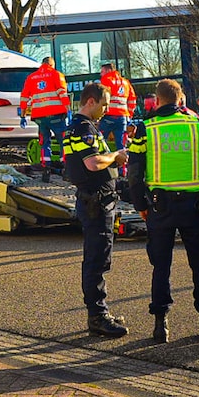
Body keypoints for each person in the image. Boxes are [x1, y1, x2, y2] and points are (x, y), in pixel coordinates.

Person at [127, 79, 199, 343]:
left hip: (160, 207)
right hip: (194, 206)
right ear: (181, 100)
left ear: (157, 101)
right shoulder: (197, 125)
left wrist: (141, 205)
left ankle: (161, 325)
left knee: (161, 267)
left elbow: (134, 174)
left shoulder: (146, 129)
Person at [64, 83, 130, 338]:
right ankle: (98, 316)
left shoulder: (83, 126)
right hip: (96, 202)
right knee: (96, 260)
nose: (106, 110)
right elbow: (92, 163)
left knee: (98, 258)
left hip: (99, 200)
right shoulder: (83, 128)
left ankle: (99, 312)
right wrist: (115, 156)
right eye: (104, 104)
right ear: (91, 101)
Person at [20, 56, 71, 182]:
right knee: (63, 142)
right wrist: (68, 109)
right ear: (52, 65)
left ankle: (46, 169)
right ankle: (65, 169)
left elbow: (24, 97)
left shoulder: (31, 77)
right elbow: (62, 93)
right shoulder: (56, 74)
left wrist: (22, 116)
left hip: (39, 117)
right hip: (56, 115)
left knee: (44, 142)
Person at [98, 63, 136, 150]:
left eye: (102, 71)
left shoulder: (106, 80)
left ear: (108, 70)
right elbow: (132, 100)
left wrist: (99, 115)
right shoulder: (126, 82)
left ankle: (105, 160)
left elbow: (102, 99)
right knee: (121, 144)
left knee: (100, 141)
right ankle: (124, 162)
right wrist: (129, 116)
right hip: (122, 117)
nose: (101, 74)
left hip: (108, 116)